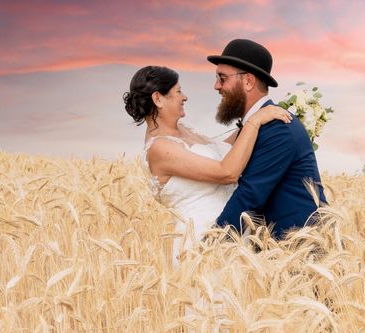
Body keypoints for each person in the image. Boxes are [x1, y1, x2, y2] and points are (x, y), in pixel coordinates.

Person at [122, 64, 292, 257]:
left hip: (230, 234)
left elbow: (224, 150)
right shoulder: (160, 148)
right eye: (178, 91)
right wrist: (255, 121)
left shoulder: (183, 130)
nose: (184, 96)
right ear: (158, 99)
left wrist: (261, 116)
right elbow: (226, 172)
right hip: (202, 243)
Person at [207, 39, 327, 240]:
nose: (216, 85)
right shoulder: (254, 127)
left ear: (248, 81)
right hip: (272, 256)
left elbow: (249, 198)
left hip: (297, 254)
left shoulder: (278, 129)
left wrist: (207, 249)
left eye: (222, 78)